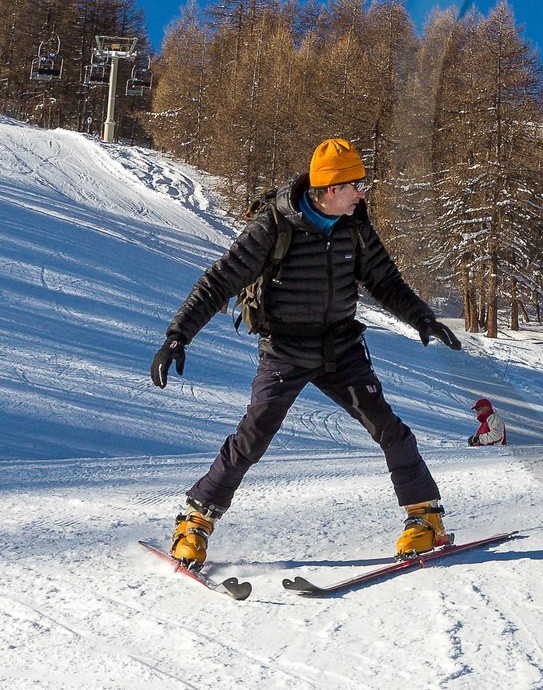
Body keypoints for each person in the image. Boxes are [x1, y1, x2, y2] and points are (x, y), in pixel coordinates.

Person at [149, 138, 464, 567]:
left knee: (388, 427)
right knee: (253, 436)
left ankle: (426, 518)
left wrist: (423, 319)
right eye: (356, 185)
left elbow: (386, 282)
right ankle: (195, 521)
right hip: (285, 349)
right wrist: (177, 336)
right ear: (332, 189)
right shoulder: (273, 227)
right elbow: (218, 281)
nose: (363, 193)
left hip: (341, 348)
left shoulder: (355, 225)